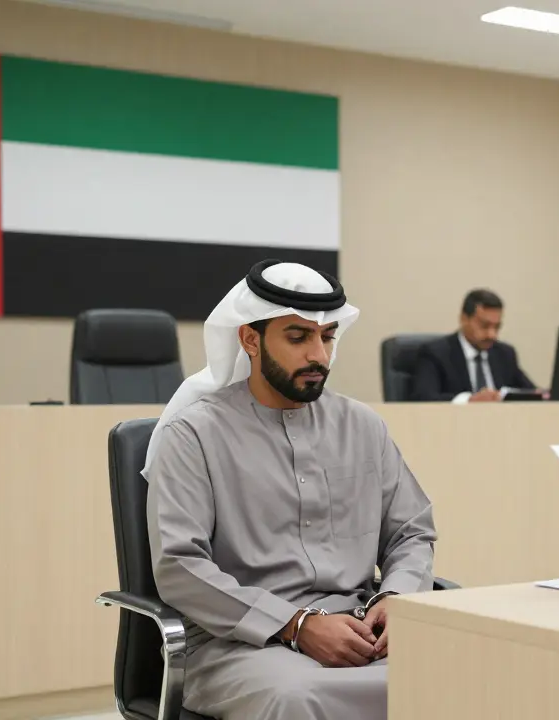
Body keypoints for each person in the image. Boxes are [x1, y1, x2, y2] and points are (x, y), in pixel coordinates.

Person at [144, 260, 438, 720]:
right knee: (300, 699)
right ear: (250, 340)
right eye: (298, 337)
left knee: (466, 665)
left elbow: (412, 532)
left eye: (327, 337)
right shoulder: (194, 434)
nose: (319, 355)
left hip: (358, 624)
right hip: (238, 641)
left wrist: (396, 599)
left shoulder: (362, 425)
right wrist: (295, 625)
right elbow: (179, 565)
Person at [408, 288, 538, 403]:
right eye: (484, 326)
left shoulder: (504, 354)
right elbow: (423, 398)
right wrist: (469, 400)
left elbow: (532, 393)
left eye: (497, 327)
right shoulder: (436, 353)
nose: (492, 335)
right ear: (464, 319)